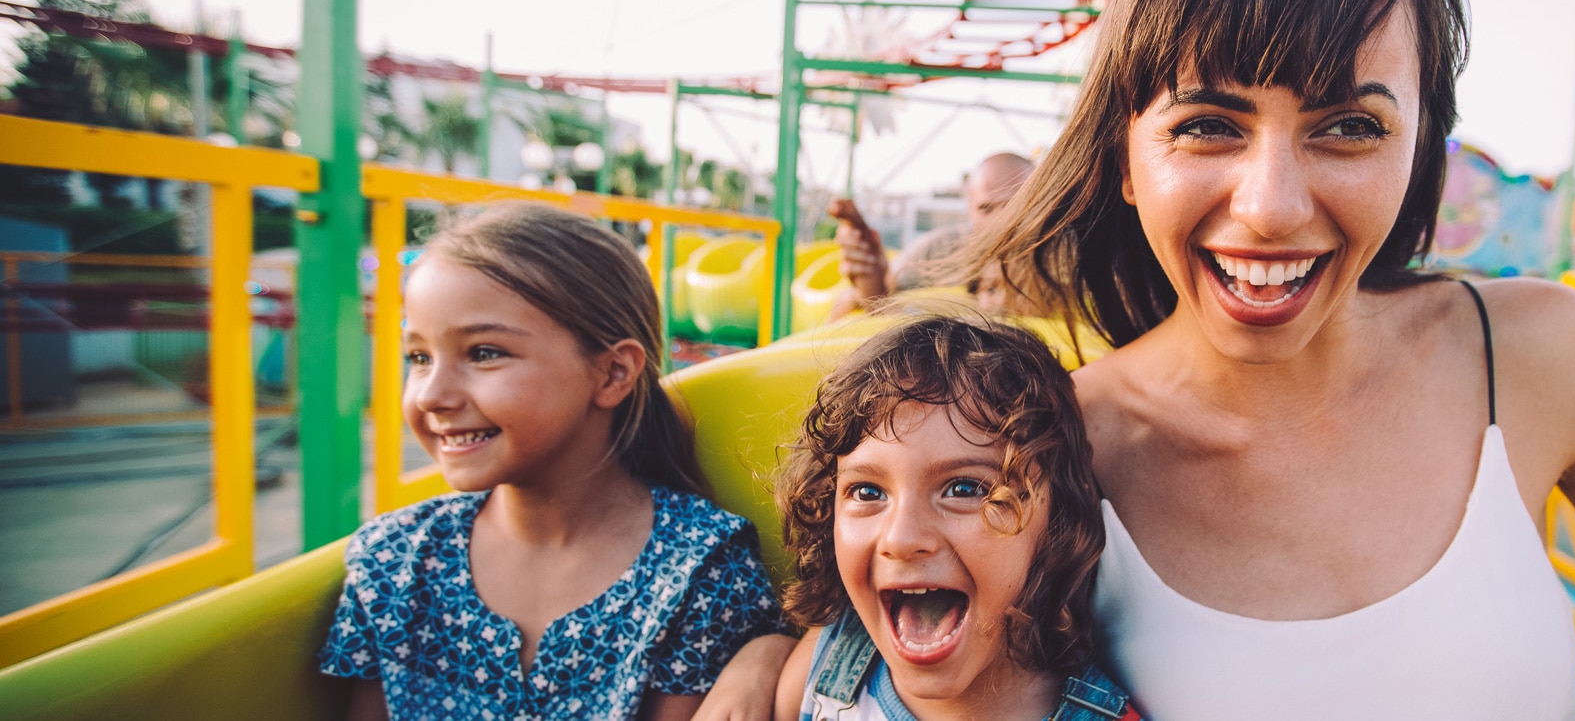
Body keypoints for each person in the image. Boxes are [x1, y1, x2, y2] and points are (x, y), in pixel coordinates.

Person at [705, 0, 1575, 717]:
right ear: (1125, 159)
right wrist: (767, 658)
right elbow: (891, 639)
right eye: (1208, 126)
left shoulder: (1531, 357)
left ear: (1419, 148)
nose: (1272, 207)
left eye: (1348, 126)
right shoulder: (1047, 451)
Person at [319, 203, 782, 721]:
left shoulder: (701, 571)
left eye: (483, 353)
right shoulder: (392, 563)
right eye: (420, 357)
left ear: (611, 374)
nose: (431, 395)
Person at [770, 315, 1139, 721]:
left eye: (965, 489)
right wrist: (758, 659)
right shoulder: (826, 664)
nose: (902, 538)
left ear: (1057, 522)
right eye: (867, 492)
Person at [827, 153, 1033, 319]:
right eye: (986, 209)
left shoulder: (1059, 256)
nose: (1001, 220)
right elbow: (874, 299)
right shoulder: (943, 249)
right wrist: (871, 276)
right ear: (969, 209)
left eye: (1014, 205)